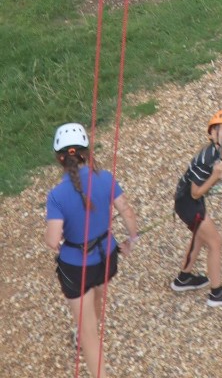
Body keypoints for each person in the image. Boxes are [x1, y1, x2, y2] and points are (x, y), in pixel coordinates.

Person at [45, 121, 140, 378]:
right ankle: (89, 325)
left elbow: (53, 240)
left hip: (76, 265)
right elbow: (127, 211)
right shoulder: (105, 178)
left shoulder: (57, 195)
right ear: (87, 152)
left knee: (88, 336)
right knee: (99, 290)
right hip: (107, 255)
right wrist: (132, 239)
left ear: (60, 159)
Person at [171, 109, 222, 307]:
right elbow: (196, 192)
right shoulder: (207, 158)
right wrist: (215, 176)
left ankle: (183, 279)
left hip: (188, 201)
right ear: (212, 134)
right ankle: (217, 293)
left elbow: (206, 186)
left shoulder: (220, 153)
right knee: (215, 243)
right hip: (189, 203)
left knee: (199, 238)